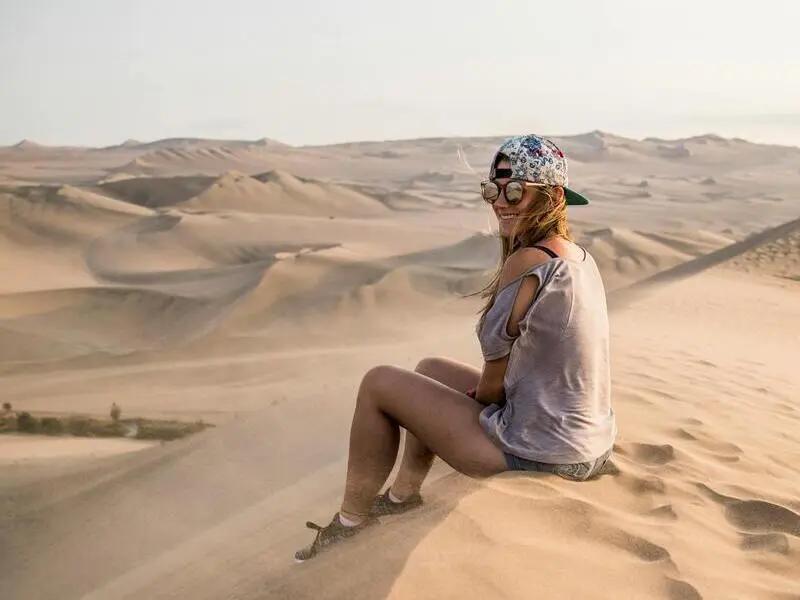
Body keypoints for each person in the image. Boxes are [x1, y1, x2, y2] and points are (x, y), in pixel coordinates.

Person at [295, 134, 617, 562]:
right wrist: (470, 401)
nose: (500, 202)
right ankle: (401, 496)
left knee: (379, 384)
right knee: (429, 368)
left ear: (553, 196)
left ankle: (349, 523)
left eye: (515, 190)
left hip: (544, 454)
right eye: (492, 190)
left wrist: (474, 403)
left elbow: (492, 382)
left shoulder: (529, 262)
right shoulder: (576, 256)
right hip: (590, 444)